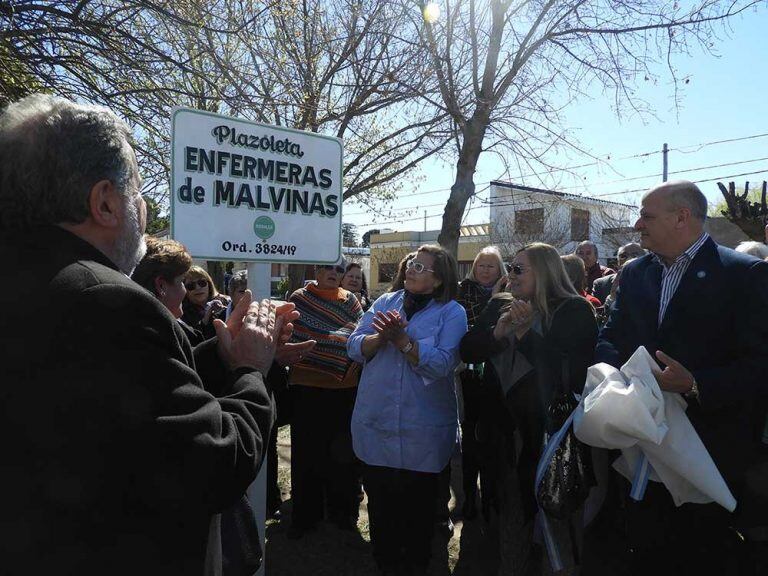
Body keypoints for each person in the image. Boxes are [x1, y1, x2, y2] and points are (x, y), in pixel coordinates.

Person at [0, 94, 287, 575]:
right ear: (106, 202)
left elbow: (131, 400)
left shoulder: (30, 279)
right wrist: (252, 370)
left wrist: (218, 354)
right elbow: (213, 465)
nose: (145, 207)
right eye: (136, 189)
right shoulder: (106, 301)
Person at [594, 180, 768, 575]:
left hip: (707, 455)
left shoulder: (744, 274)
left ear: (681, 217)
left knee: (700, 554)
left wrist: (695, 384)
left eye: (647, 216)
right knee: (645, 548)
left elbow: (760, 365)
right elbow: (611, 335)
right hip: (640, 445)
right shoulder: (636, 272)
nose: (638, 224)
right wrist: (613, 376)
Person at [460, 242, 598, 574]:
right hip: (504, 436)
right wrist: (498, 332)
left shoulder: (573, 310)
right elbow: (468, 350)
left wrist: (524, 335)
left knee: (557, 526)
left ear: (546, 270)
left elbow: (570, 376)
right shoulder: (501, 304)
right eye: (510, 267)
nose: (510, 275)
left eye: (519, 268)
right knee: (510, 516)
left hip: (550, 440)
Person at [348, 244, 467, 576]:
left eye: (421, 266)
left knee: (419, 514)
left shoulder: (452, 312)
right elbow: (354, 345)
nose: (411, 268)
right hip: (378, 423)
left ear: (440, 280)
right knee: (382, 508)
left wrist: (403, 342)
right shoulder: (386, 302)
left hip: (422, 435)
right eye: (412, 263)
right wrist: (379, 339)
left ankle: (415, 565)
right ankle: (385, 564)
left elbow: (444, 363)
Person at [286, 260, 364, 538]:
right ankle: (307, 516)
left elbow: (359, 334)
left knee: (343, 456)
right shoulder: (300, 298)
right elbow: (297, 335)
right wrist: (334, 345)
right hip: (307, 388)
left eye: (338, 271)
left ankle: (342, 514)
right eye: (327, 268)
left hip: (345, 389)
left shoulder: (351, 301)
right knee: (308, 453)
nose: (333, 274)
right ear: (316, 271)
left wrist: (330, 344)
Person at [456, 246, 507, 521]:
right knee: (470, 433)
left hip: (498, 374)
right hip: (469, 370)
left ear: (500, 270)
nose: (485, 271)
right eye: (480, 266)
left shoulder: (511, 292)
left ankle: (491, 498)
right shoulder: (463, 291)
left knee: (492, 438)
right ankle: (468, 497)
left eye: (491, 266)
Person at [182, 265, 230, 342]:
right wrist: (205, 320)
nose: (198, 288)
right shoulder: (181, 312)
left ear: (209, 284)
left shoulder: (227, 301)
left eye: (202, 283)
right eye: (191, 286)